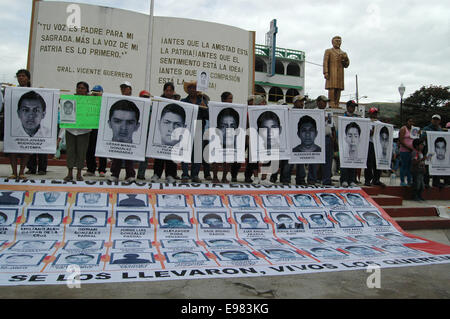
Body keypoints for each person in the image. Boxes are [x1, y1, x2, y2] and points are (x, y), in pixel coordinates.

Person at [141, 83, 177, 183]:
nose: (169, 92)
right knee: (159, 153)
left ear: (173, 91)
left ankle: (170, 175)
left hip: (172, 133)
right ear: (164, 91)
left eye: (170, 90)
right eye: (167, 90)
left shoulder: (177, 102)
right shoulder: (158, 101)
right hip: (160, 131)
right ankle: (156, 174)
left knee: (171, 154)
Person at [181, 80, 211, 183]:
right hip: (187, 128)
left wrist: (205, 108)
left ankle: (195, 175)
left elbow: (208, 117)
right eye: (190, 88)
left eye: (194, 88)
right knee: (185, 152)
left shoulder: (203, 101)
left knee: (197, 154)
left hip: (199, 127)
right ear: (188, 90)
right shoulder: (183, 101)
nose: (192, 90)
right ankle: (185, 174)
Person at [109, 87, 139, 183]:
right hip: (115, 144)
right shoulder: (117, 100)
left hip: (130, 144)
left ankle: (130, 175)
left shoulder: (135, 101)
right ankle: (115, 174)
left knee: (129, 157)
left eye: (130, 122)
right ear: (109, 123)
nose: (123, 128)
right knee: (116, 156)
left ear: (136, 126)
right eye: (117, 121)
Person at [63, 81, 92, 181]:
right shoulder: (70, 100)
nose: (80, 90)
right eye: (78, 88)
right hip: (71, 129)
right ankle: (69, 173)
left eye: (83, 88)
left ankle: (79, 173)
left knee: (81, 152)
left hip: (84, 130)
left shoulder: (91, 101)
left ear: (87, 90)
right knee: (70, 151)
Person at [8, 69, 31, 179]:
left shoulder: (33, 91)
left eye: (23, 76)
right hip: (14, 122)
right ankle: (14, 172)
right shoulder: (12, 91)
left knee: (25, 148)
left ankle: (22, 172)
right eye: (19, 76)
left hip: (28, 124)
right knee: (13, 148)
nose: (21, 78)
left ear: (28, 78)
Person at [85, 85, 107, 177]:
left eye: (97, 93)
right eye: (94, 93)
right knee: (90, 149)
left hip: (101, 128)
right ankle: (91, 169)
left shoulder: (105, 102)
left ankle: (102, 169)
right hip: (90, 128)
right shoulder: (87, 102)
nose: (95, 95)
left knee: (102, 149)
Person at [323, 36, 350, 108]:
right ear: (332, 42)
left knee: (339, 88)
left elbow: (346, 65)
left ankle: (337, 103)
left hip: (340, 73)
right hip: (332, 73)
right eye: (336, 41)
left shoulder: (343, 53)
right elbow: (325, 62)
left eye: (339, 41)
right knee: (332, 88)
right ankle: (331, 102)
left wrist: (345, 59)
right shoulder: (328, 51)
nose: (338, 42)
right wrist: (326, 72)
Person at [339, 100, 360, 187]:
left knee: (353, 160)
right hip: (344, 143)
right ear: (347, 107)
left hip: (354, 144)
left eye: (354, 106)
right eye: (351, 106)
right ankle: (344, 179)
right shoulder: (342, 117)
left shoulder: (357, 118)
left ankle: (352, 179)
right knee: (344, 161)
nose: (352, 108)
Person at [421, 114, 445, 187]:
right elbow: (422, 138)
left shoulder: (440, 129)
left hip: (437, 151)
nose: (435, 121)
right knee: (427, 166)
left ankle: (436, 182)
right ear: (431, 120)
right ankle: (426, 182)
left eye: (437, 119)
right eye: (434, 119)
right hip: (428, 151)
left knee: (437, 165)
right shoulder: (426, 128)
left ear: (439, 121)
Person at [364, 107, 384, 186]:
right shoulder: (366, 122)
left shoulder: (380, 123)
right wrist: (373, 131)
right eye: (373, 113)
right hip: (370, 143)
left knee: (377, 162)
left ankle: (376, 179)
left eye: (375, 113)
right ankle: (367, 179)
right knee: (369, 162)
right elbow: (368, 133)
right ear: (370, 113)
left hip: (378, 144)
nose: (374, 114)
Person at [398, 117, 414, 186]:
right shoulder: (403, 129)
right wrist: (408, 147)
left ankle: (409, 180)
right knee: (404, 165)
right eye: (410, 121)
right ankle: (402, 180)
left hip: (412, 151)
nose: (411, 123)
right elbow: (401, 140)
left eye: (412, 122)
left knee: (410, 167)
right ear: (407, 122)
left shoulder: (414, 129)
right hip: (404, 150)